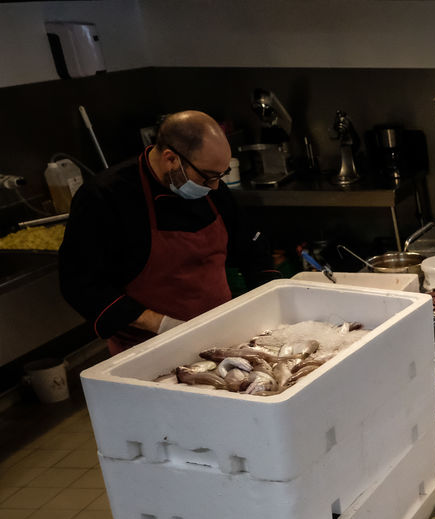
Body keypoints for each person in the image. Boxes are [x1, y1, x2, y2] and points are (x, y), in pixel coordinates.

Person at [60, 110, 279, 354]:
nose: (216, 186)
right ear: (170, 159)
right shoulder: (104, 197)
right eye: (208, 177)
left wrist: (272, 302)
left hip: (220, 335)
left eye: (221, 175)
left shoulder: (211, 187)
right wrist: (163, 325)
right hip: (146, 348)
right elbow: (80, 284)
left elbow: (252, 249)